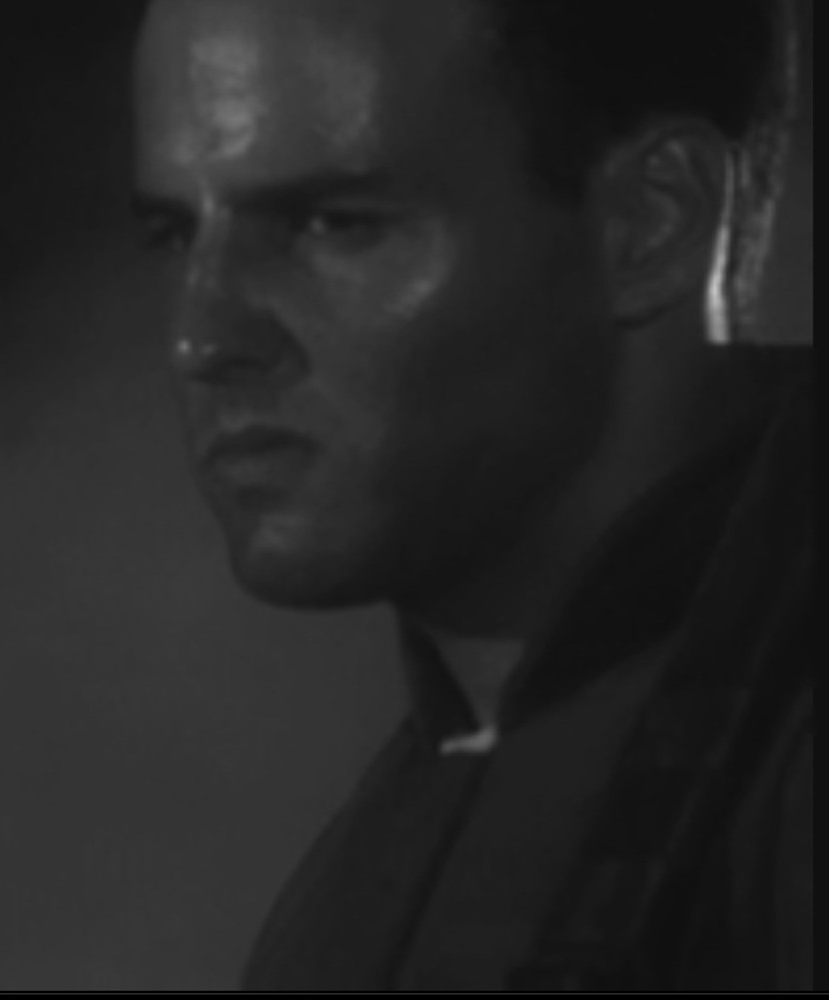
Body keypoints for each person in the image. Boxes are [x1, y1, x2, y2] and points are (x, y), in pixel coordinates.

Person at [130, 0, 812, 990]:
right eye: (171, 235)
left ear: (650, 221)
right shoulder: (358, 881)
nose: (204, 336)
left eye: (335, 224)